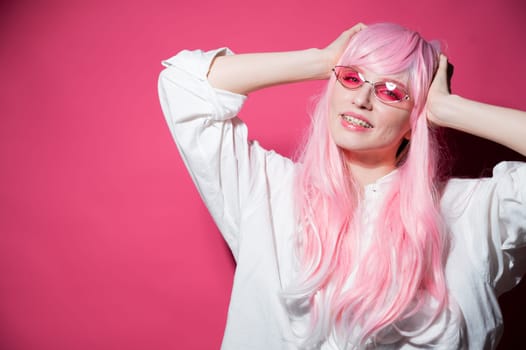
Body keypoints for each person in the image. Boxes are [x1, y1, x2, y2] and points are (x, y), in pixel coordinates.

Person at [158, 23, 526, 349]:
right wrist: (322, 60)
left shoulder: (477, 213)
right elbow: (184, 85)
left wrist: (450, 110)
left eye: (391, 92)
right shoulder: (266, 189)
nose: (361, 99)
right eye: (351, 78)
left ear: (417, 117)